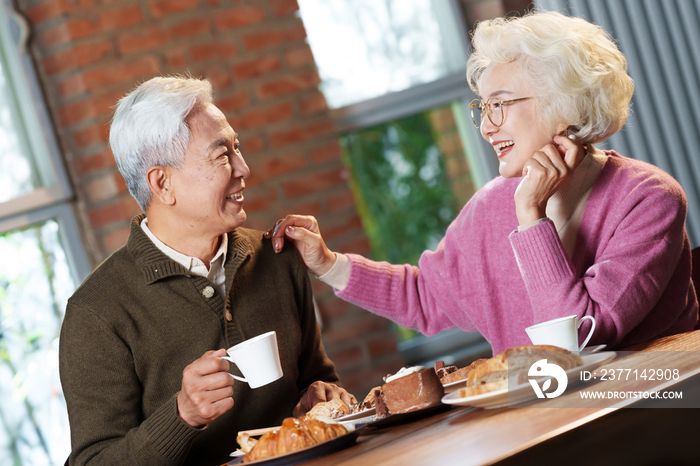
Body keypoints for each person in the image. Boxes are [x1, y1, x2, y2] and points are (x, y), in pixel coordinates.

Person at [266, 11, 699, 356]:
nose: (487, 127)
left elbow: (581, 341)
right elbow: (427, 298)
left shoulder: (648, 199)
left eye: (501, 105)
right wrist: (327, 264)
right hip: (540, 427)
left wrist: (531, 219)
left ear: (564, 105)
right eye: (482, 107)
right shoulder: (492, 205)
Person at [59, 76, 355, 466]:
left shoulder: (278, 256)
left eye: (238, 147)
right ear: (163, 184)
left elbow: (318, 380)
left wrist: (324, 394)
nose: (244, 168)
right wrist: (182, 415)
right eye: (221, 155)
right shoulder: (96, 314)